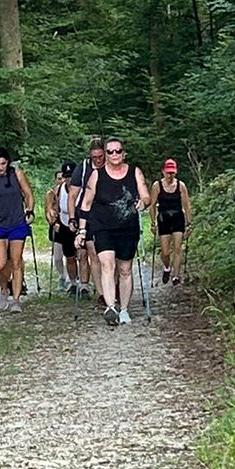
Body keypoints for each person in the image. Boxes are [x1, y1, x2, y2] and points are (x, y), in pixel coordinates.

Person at [76, 135, 150, 326]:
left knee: (125, 269)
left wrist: (143, 202)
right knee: (107, 265)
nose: (114, 154)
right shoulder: (97, 175)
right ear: (106, 155)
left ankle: (124, 309)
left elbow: (146, 196)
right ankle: (110, 306)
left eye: (118, 151)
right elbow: (86, 202)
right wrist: (82, 231)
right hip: (103, 227)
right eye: (110, 151)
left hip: (127, 227)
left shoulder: (134, 172)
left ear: (123, 153)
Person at [0, 146, 35, 311]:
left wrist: (30, 210)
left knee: (16, 261)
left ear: (8, 162)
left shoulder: (17, 174)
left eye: (3, 163)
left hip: (17, 222)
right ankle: (3, 288)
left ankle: (16, 300)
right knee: (1, 263)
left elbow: (28, 194)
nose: (0, 167)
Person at [69, 138, 105, 302]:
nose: (97, 160)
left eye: (100, 156)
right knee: (93, 253)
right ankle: (101, 293)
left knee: (110, 255)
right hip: (87, 213)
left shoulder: (112, 165)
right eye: (94, 157)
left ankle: (112, 286)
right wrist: (71, 218)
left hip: (108, 213)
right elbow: (72, 195)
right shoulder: (82, 168)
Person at [150, 157, 193, 285]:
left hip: (177, 218)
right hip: (163, 219)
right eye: (168, 172)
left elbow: (186, 205)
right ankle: (167, 267)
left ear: (176, 172)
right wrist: (153, 223)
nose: (170, 175)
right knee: (165, 251)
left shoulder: (181, 185)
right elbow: (152, 206)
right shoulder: (157, 185)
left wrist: (189, 223)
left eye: (172, 172)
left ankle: (176, 276)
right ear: (163, 171)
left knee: (178, 248)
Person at [46, 163, 82, 293]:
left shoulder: (82, 188)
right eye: (66, 177)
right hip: (65, 225)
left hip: (81, 223)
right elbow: (52, 206)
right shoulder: (57, 190)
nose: (69, 179)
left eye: (71, 176)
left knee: (83, 255)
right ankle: (73, 283)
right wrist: (52, 216)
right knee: (69, 257)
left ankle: (84, 284)